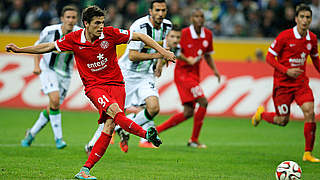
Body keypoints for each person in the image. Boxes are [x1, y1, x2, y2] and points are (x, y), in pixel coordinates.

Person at [6, 5, 175, 180]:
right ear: (86, 24)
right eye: (96, 23)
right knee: (116, 113)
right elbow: (48, 46)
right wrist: (20, 49)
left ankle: (85, 170)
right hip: (95, 87)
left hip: (117, 84)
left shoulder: (110, 34)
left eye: (102, 22)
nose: (101, 26)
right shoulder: (73, 39)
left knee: (110, 126)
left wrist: (163, 52)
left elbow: (139, 36)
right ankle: (146, 134)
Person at [85, 0, 173, 152]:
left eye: (163, 10)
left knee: (154, 107)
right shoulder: (140, 26)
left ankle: (123, 127)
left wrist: (159, 63)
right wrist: (158, 55)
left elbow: (162, 45)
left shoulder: (167, 26)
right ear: (150, 11)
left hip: (146, 75)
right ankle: (92, 144)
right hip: (127, 74)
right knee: (113, 112)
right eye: (157, 10)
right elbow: (132, 55)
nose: (160, 13)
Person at [251, 4, 320, 162]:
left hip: (301, 83)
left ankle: (308, 153)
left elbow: (315, 59)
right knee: (282, 121)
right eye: (302, 17)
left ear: (311, 20)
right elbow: (269, 57)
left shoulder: (312, 39)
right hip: (283, 84)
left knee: (310, 112)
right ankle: (261, 114)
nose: (304, 20)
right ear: (296, 19)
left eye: (307, 17)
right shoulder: (284, 36)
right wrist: (286, 70)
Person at [156, 8, 221, 148]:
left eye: (201, 16)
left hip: (195, 75)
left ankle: (156, 131)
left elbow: (208, 54)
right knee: (203, 101)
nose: (199, 19)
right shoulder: (183, 33)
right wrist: (163, 63)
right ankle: (194, 140)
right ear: (192, 18)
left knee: (188, 112)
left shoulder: (208, 35)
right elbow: (172, 48)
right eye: (196, 16)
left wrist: (215, 70)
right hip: (182, 74)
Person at [21, 5, 81, 149]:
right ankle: (59, 139)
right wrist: (36, 66)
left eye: (73, 17)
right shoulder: (49, 31)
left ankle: (31, 134)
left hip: (65, 74)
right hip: (48, 69)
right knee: (54, 100)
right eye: (68, 17)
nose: (71, 20)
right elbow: (37, 48)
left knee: (53, 107)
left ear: (76, 19)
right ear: (62, 19)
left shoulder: (80, 33)